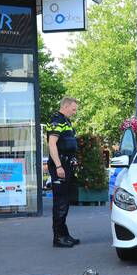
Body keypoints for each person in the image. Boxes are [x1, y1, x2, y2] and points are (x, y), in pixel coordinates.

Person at [46, 97, 80, 248]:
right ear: (65, 106)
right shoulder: (56, 120)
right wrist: (59, 166)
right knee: (60, 201)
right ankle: (58, 237)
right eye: (73, 109)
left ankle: (64, 234)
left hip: (67, 163)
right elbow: (52, 144)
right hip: (60, 164)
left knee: (65, 200)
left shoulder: (65, 120)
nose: (75, 112)